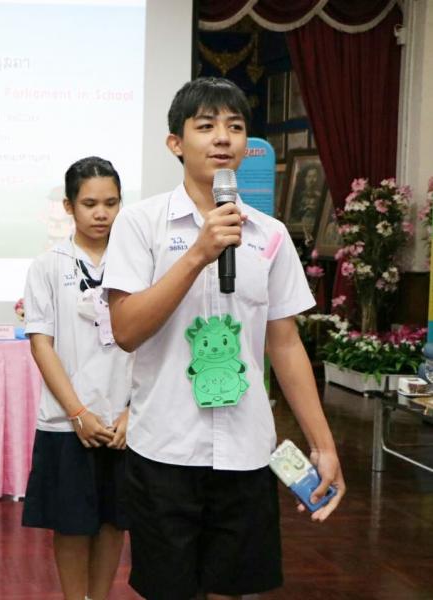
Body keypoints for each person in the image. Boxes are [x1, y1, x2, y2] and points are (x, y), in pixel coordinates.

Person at [103, 77, 345, 600]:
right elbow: (126, 330)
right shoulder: (140, 225)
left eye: (234, 127)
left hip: (246, 448)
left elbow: (285, 344)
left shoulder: (270, 234)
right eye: (206, 125)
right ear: (175, 142)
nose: (222, 138)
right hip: (165, 448)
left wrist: (323, 446)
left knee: (236, 590)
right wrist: (197, 254)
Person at [22, 156, 134, 600]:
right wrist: (77, 412)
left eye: (111, 203)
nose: (101, 213)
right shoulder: (47, 266)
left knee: (113, 522)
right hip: (67, 421)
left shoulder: (138, 263)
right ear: (69, 207)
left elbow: (153, 342)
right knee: (70, 525)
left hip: (122, 420)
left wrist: (132, 411)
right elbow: (41, 345)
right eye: (90, 204)